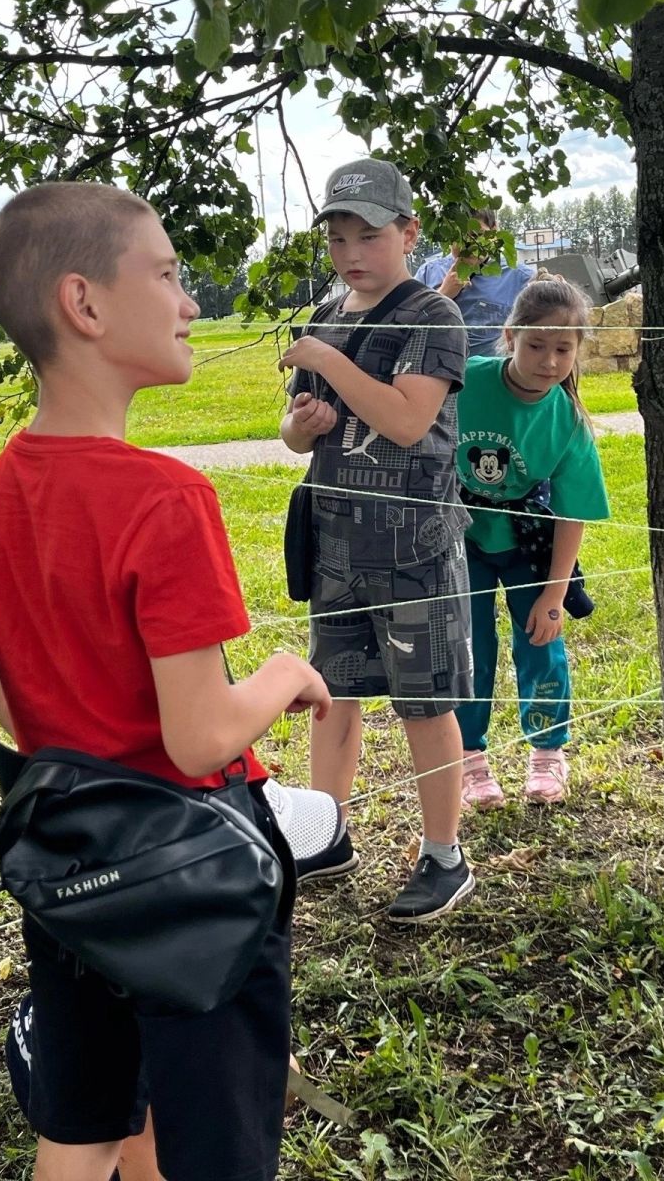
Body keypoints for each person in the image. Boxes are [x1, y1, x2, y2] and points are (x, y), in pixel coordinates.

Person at [0, 182, 331, 1181]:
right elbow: (200, 738)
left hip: (71, 870)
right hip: (192, 887)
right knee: (218, 1143)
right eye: (169, 276)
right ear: (84, 305)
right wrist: (286, 671)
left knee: (82, 1130)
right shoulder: (167, 497)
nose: (190, 304)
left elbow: (9, 704)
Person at [279, 157, 475, 924]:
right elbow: (294, 434)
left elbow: (405, 419)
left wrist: (327, 361)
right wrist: (301, 426)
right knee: (336, 697)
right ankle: (327, 835)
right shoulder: (330, 315)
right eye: (337, 239)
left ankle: (443, 857)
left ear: (407, 231)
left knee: (424, 705)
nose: (351, 253)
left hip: (415, 546)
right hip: (337, 543)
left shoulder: (433, 316)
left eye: (368, 235)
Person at [0, 781, 343, 1181]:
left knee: (80, 1137)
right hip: (194, 861)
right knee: (206, 1112)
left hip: (66, 847)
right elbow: (200, 746)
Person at [452, 276, 610, 807]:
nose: (548, 361)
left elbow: (573, 514)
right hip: (459, 539)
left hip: (528, 544)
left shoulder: (567, 421)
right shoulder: (463, 383)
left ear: (577, 351)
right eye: (536, 345)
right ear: (510, 335)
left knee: (541, 643)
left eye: (562, 349)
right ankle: (470, 759)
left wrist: (553, 595)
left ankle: (547, 753)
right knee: (468, 648)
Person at [415, 209, 536, 356]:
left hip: (490, 375)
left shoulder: (520, 278)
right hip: (437, 372)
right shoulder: (428, 273)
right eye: (458, 236)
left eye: (476, 235)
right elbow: (403, 327)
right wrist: (443, 295)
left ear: (494, 231)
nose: (468, 244)